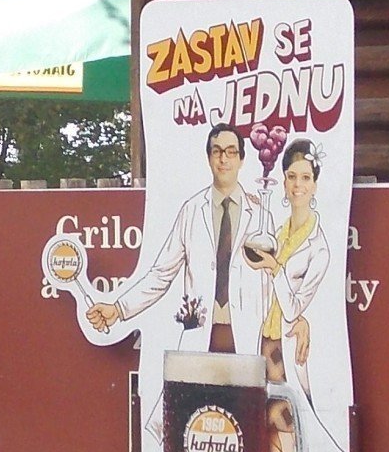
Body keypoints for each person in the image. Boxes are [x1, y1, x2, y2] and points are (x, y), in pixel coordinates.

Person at [86, 123, 271, 352]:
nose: (224, 159)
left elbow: (271, 283)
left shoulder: (261, 215)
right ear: (209, 158)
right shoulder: (191, 211)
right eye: (217, 151)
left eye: (231, 152)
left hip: (247, 339)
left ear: (241, 160)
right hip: (202, 339)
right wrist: (119, 308)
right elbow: (161, 274)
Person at [246, 138, 341, 452]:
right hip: (265, 344)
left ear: (316, 184)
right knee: (271, 443)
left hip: (288, 352)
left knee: (283, 438)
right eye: (291, 177)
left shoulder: (319, 245)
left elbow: (299, 304)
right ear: (283, 183)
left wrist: (274, 268)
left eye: (305, 177)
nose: (297, 184)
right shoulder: (279, 230)